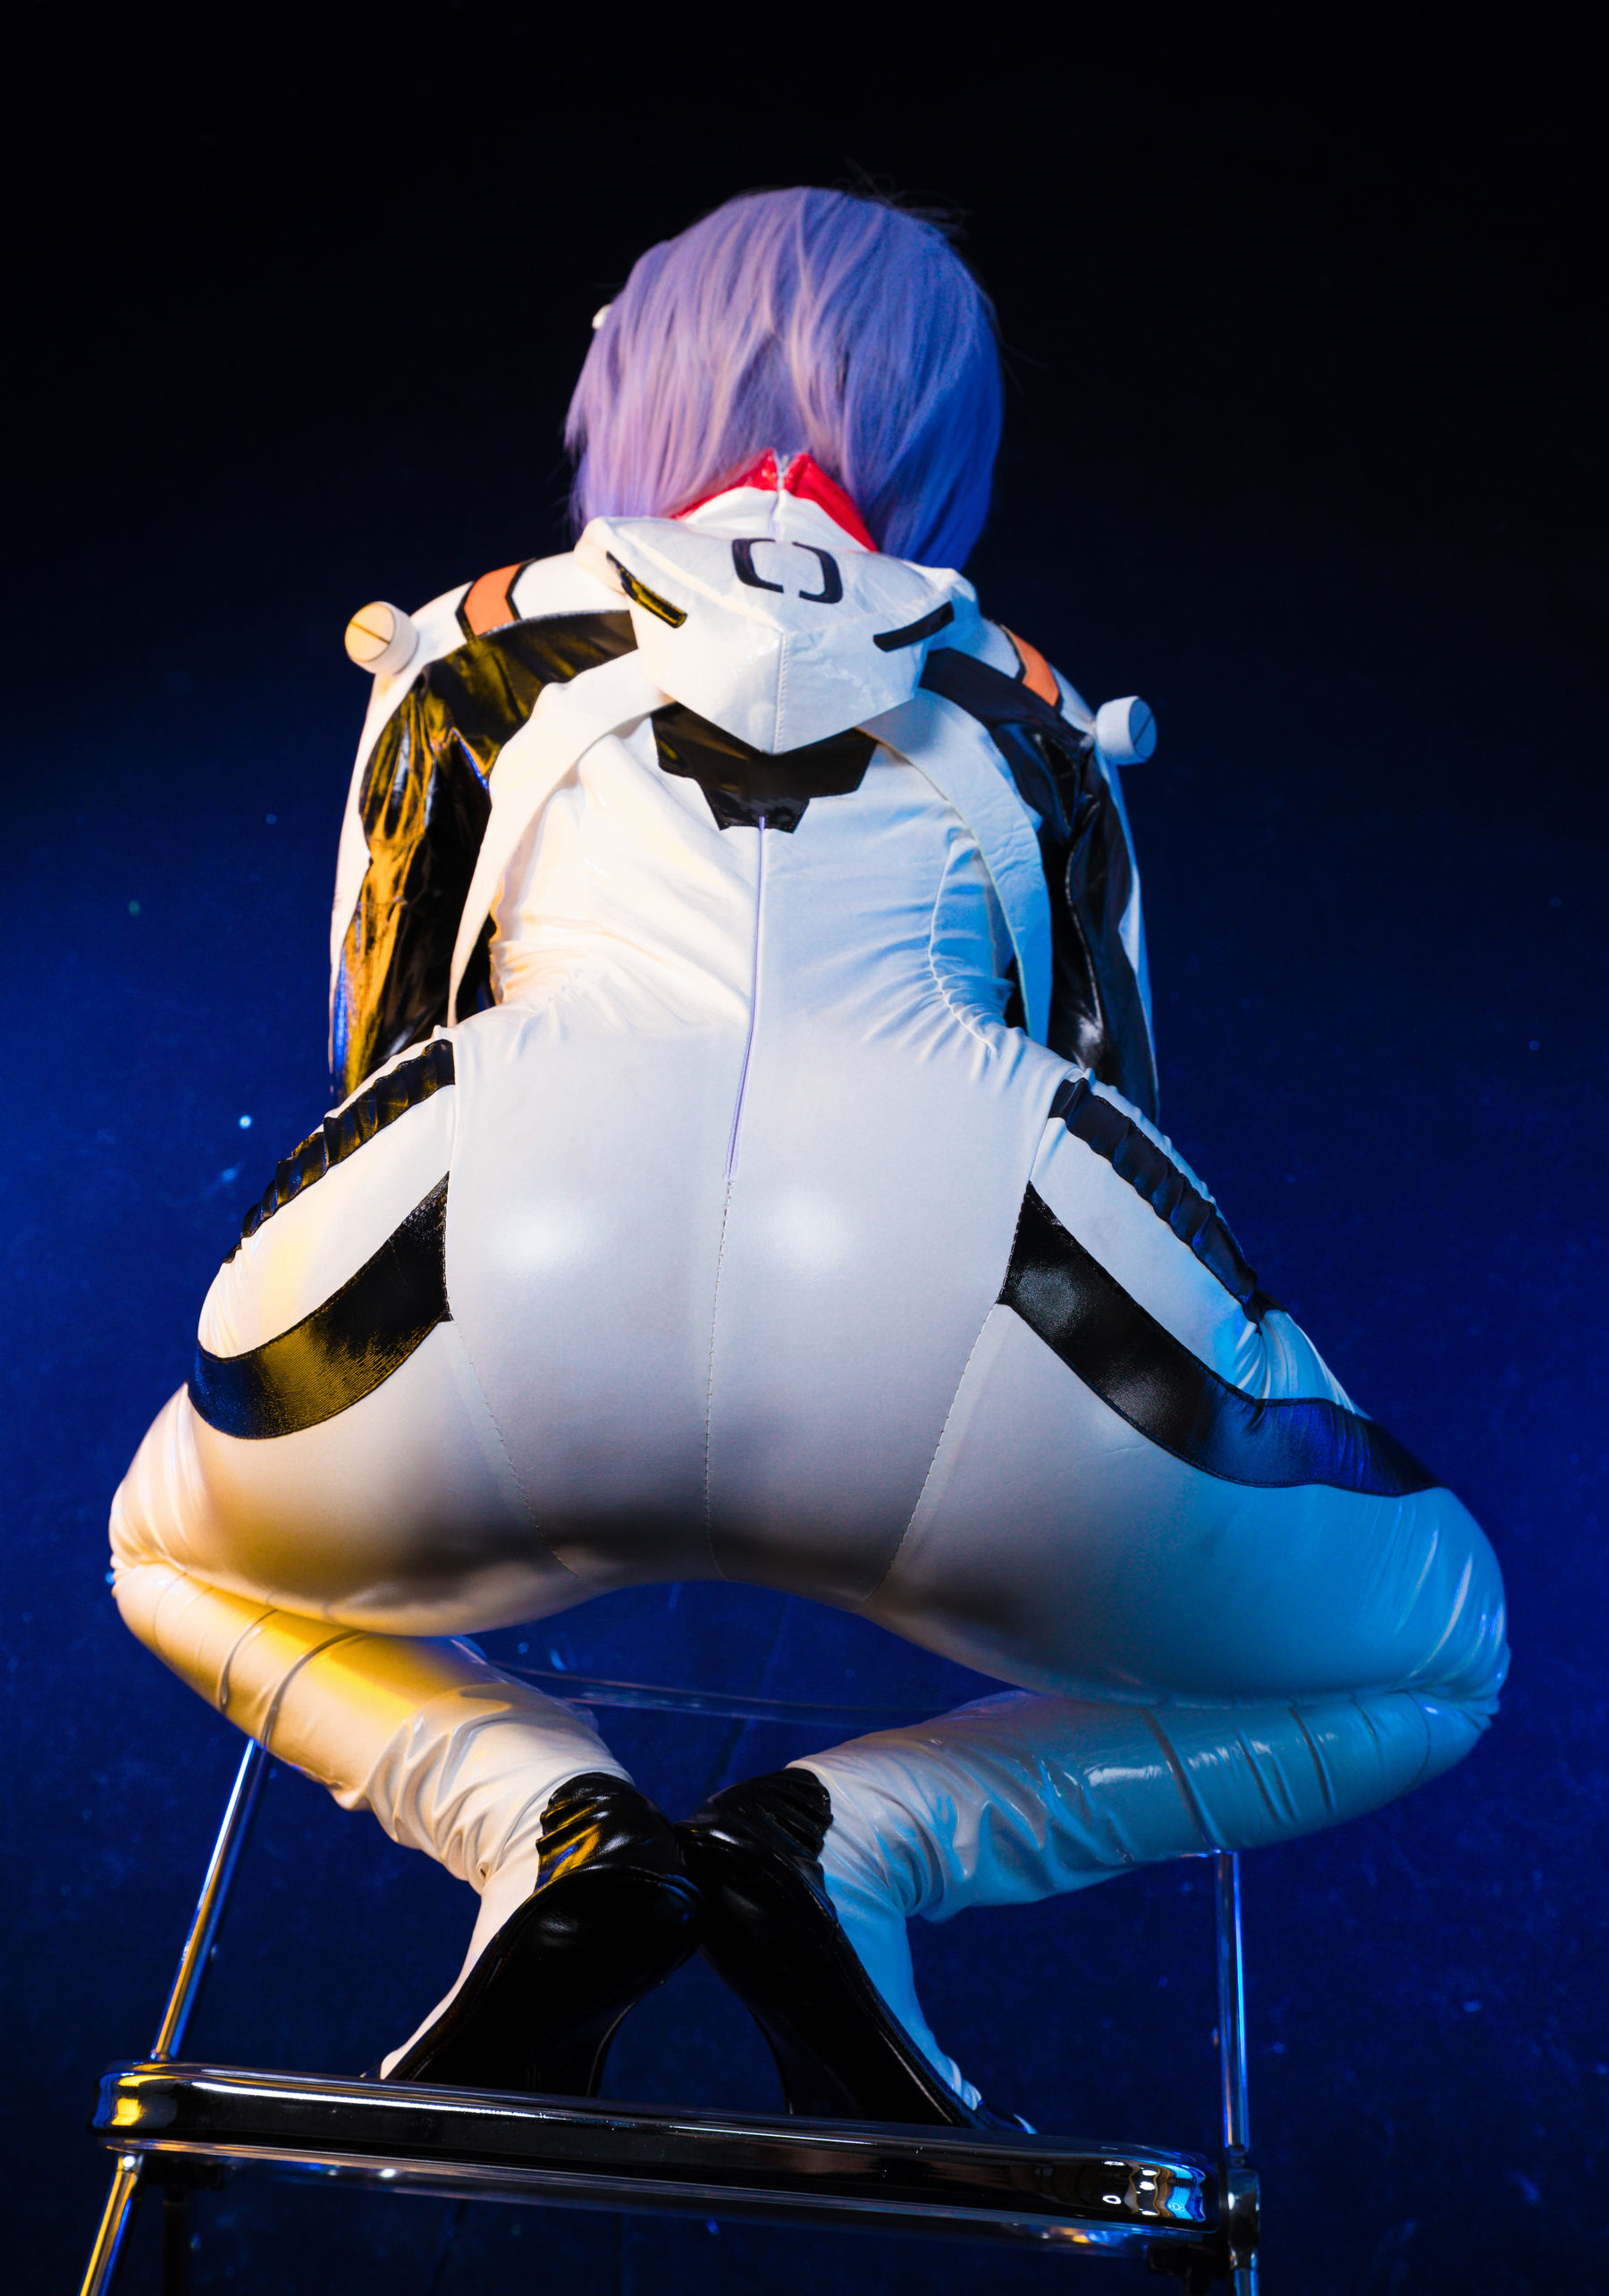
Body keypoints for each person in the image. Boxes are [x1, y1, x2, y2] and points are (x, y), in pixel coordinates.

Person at [110, 187, 1507, 2126]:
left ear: (637, 385)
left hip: (491, 1296)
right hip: (983, 1325)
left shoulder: (463, 653)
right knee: (1440, 1655)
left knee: (159, 1553)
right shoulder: (1037, 711)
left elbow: (379, 1063)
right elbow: (1122, 1124)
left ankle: (539, 1822)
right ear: (939, 428)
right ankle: (857, 1850)